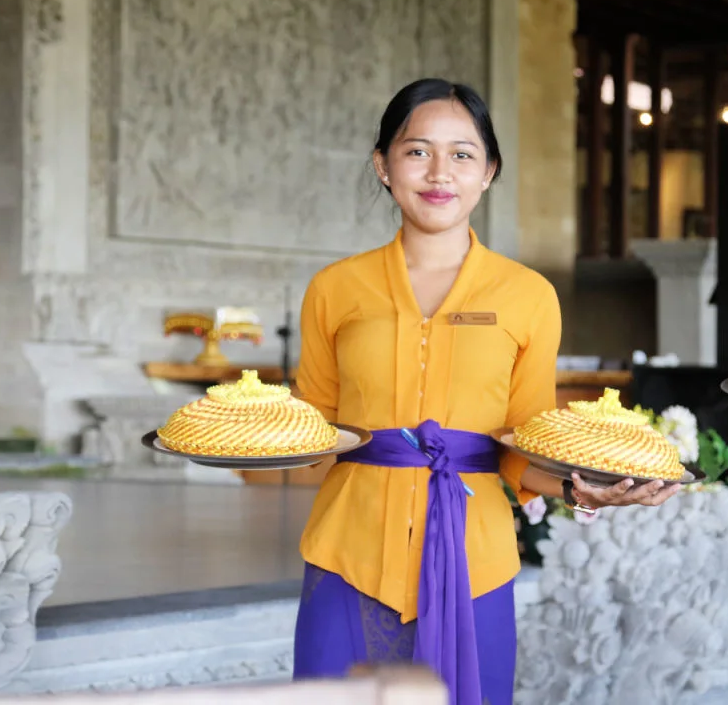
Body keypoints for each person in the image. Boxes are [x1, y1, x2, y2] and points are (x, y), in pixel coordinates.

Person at [290, 78, 680, 703]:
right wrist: (238, 441)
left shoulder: (528, 296)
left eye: (462, 154)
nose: (439, 172)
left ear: (489, 172)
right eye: (417, 151)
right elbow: (309, 429)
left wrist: (583, 489)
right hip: (347, 556)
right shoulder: (334, 289)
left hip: (476, 561)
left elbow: (523, 443)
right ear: (383, 165)